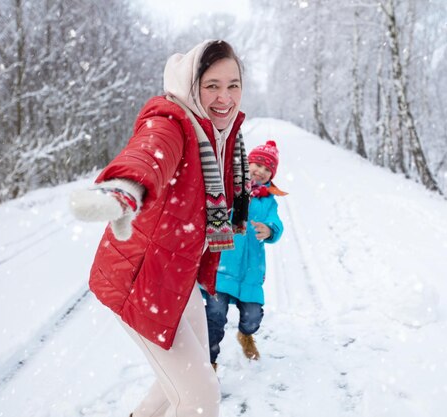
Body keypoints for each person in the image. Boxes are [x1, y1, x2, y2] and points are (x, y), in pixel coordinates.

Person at [69, 40, 250, 417]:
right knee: (201, 396)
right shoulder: (172, 120)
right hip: (139, 282)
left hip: (175, 280)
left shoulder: (223, 134)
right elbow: (149, 153)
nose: (225, 96)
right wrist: (123, 190)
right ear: (191, 84)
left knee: (182, 384)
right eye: (212, 85)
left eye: (233, 84)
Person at [203, 140, 286, 370]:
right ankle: (208, 362)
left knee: (252, 316)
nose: (260, 171)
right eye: (256, 164)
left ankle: (246, 335)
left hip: (251, 270)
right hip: (223, 264)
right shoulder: (231, 187)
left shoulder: (269, 201)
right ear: (246, 164)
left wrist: (270, 230)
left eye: (267, 168)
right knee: (214, 315)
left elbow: (277, 224)